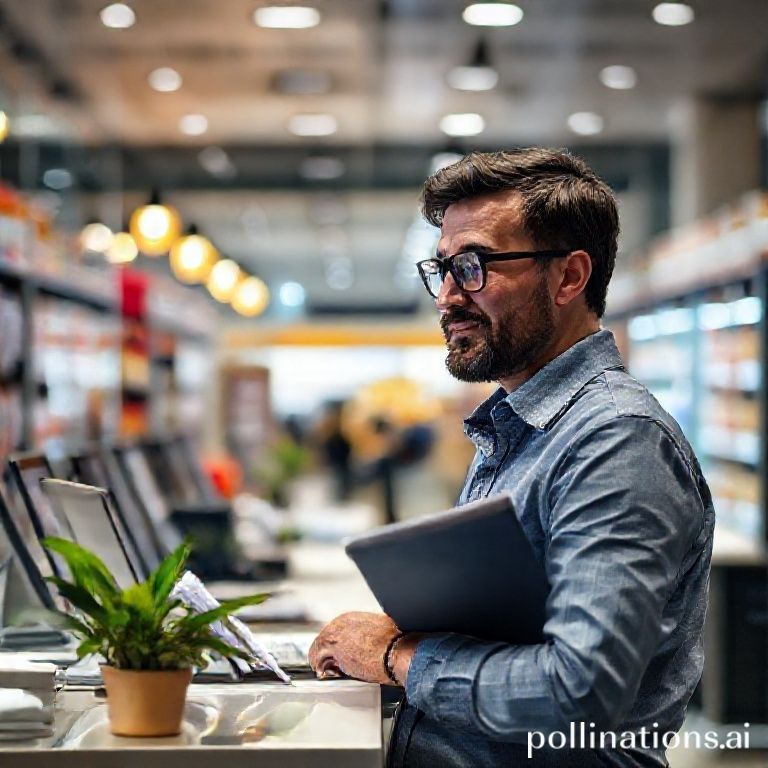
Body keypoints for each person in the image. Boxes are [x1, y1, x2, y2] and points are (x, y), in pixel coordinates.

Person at [308, 148, 714, 767]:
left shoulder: (616, 442)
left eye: (472, 267)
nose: (446, 297)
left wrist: (396, 657)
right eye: (441, 269)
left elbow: (578, 691)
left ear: (569, 278)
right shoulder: (519, 424)